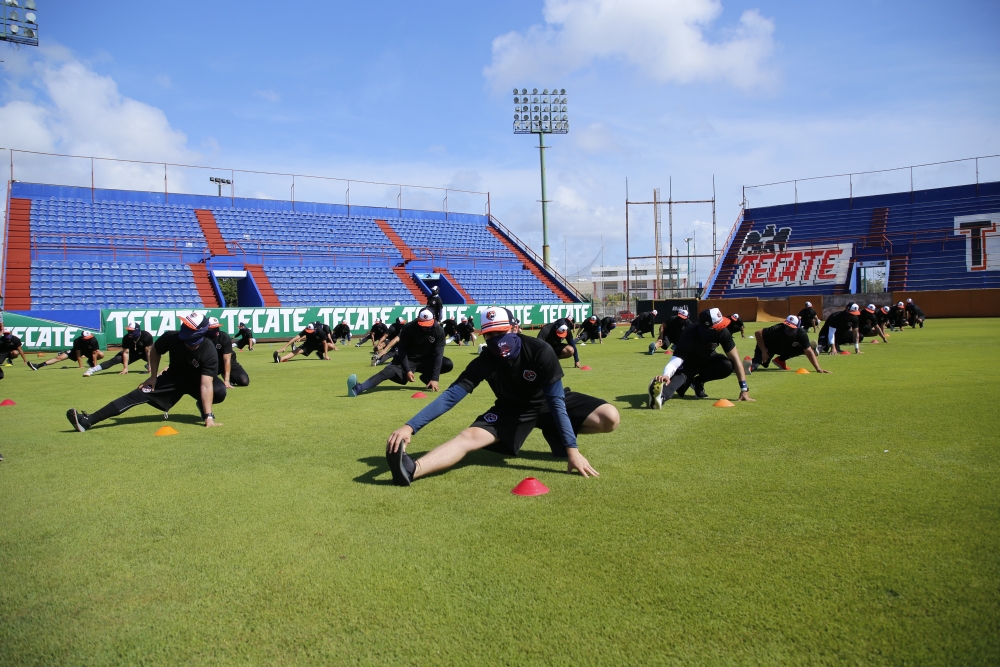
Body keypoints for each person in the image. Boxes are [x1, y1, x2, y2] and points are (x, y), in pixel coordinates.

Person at [383, 306, 620, 486]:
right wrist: (410, 426)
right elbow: (451, 396)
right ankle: (412, 469)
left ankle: (555, 431)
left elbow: (556, 401)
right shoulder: (485, 361)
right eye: (490, 335)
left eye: (502, 332)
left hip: (549, 402)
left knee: (610, 417)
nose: (497, 340)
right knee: (468, 436)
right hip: (512, 410)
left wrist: (573, 450)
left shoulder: (540, 351)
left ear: (515, 328)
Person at [65, 312, 225, 432]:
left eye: (189, 326)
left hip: (197, 382)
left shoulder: (208, 351)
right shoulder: (171, 337)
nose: (183, 327)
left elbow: (205, 385)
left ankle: (204, 408)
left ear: (199, 332)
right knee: (137, 394)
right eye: (184, 324)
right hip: (173, 378)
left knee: (219, 391)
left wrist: (208, 416)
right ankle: (88, 420)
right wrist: (153, 376)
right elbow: (155, 350)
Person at [647, 308, 755, 409]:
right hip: (689, 363)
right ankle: (659, 397)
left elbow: (735, 358)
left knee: (727, 365)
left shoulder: (723, 332)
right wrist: (666, 374)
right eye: (718, 326)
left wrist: (744, 389)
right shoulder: (690, 333)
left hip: (709, 360)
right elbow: (677, 359)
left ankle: (698, 381)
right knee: (675, 383)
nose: (721, 327)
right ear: (707, 327)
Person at [348, 308, 450, 396]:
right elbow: (402, 350)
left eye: (427, 325)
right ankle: (358, 388)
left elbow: (438, 355)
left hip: (426, 360)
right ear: (418, 319)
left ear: (433, 320)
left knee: (447, 364)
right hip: (408, 358)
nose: (424, 327)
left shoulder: (438, 330)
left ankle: (427, 378)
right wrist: (407, 370)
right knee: (385, 373)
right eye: (422, 324)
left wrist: (435, 379)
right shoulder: (409, 328)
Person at [744, 315, 829, 374]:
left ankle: (780, 360)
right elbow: (758, 333)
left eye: (791, 328)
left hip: (782, 347)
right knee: (761, 363)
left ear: (797, 327)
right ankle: (747, 366)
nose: (788, 329)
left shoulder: (801, 333)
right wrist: (763, 351)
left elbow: (808, 350)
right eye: (787, 326)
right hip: (767, 346)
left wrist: (818, 368)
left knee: (801, 348)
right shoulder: (777, 328)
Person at [84, 321, 153, 377]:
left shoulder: (146, 336)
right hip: (133, 353)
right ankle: (92, 370)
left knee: (155, 355)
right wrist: (125, 368)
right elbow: (126, 352)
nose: (129, 333)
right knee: (116, 359)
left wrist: (150, 366)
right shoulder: (126, 338)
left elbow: (148, 352)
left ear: (137, 330)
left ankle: (149, 365)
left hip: (145, 353)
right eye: (129, 331)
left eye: (132, 331)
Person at [206, 317, 249, 387]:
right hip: (211, 364)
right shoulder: (202, 338)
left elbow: (227, 360)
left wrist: (226, 380)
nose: (216, 329)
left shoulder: (224, 337)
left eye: (217, 327)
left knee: (244, 381)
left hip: (227, 361)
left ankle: (225, 374)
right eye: (213, 328)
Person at [29, 330, 103, 371]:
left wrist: (95, 366)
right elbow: (78, 354)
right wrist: (81, 366)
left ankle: (90, 361)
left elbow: (94, 353)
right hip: (76, 351)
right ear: (82, 337)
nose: (88, 339)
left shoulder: (93, 340)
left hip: (88, 352)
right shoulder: (77, 341)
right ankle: (38, 366)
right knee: (59, 358)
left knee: (101, 354)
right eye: (87, 338)